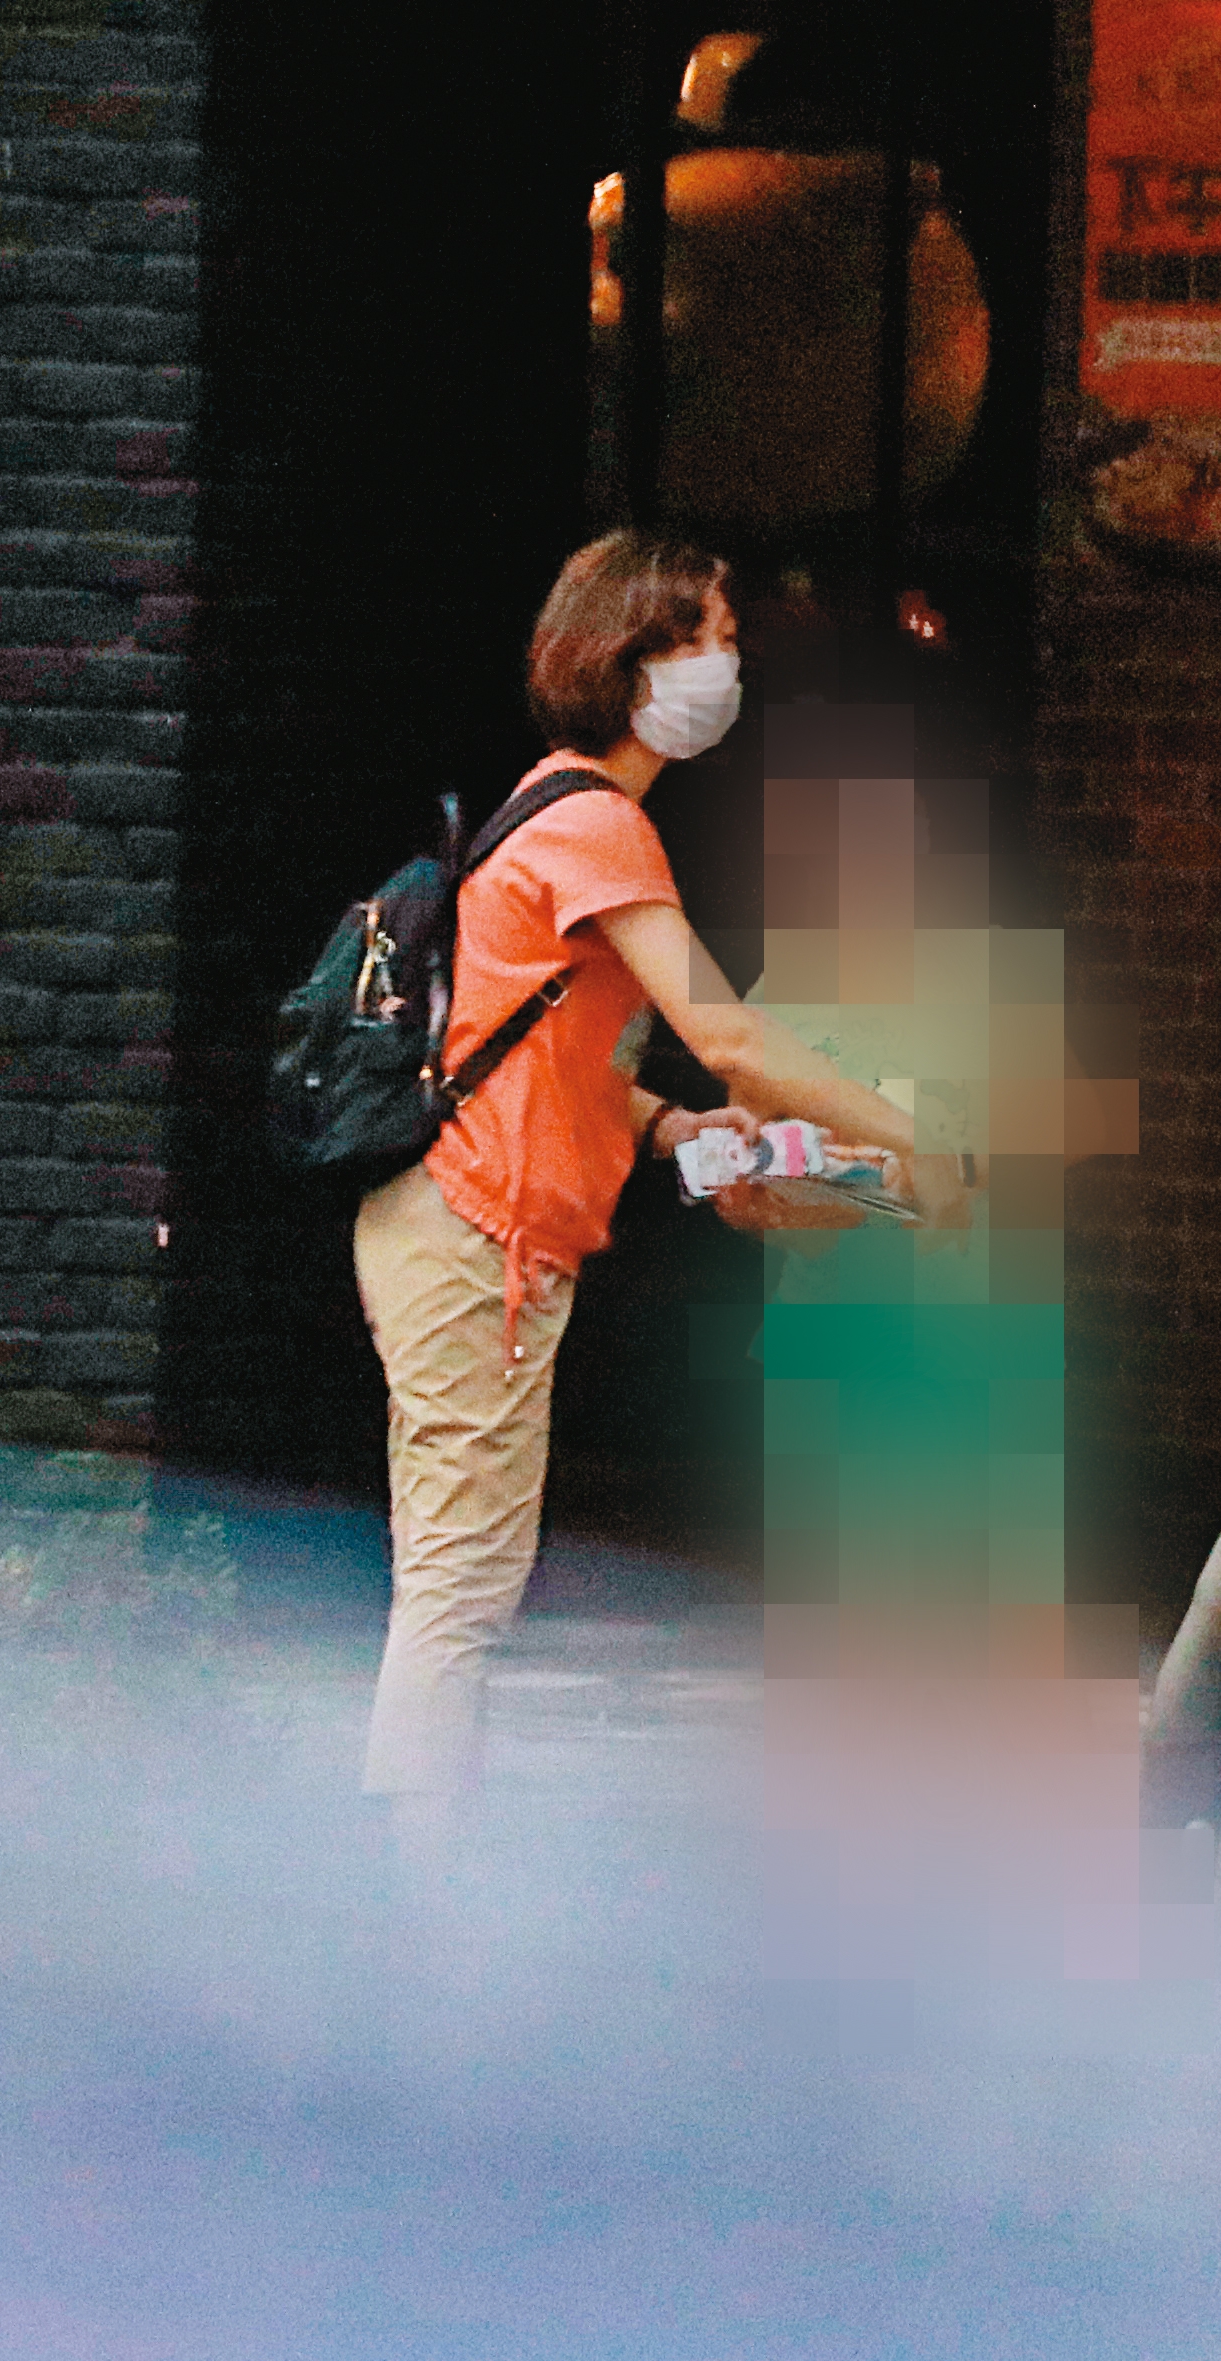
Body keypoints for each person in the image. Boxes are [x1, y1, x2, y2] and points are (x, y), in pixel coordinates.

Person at [354, 530, 926, 1861]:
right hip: (472, 1238)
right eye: (709, 636)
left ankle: (418, 1865)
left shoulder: (555, 809)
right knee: (458, 1591)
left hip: (462, 1230)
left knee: (452, 1580)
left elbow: (559, 1061)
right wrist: (911, 1139)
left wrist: (678, 1133)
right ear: (633, 659)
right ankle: (409, 1892)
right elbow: (727, 1032)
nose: (731, 662)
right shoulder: (597, 825)